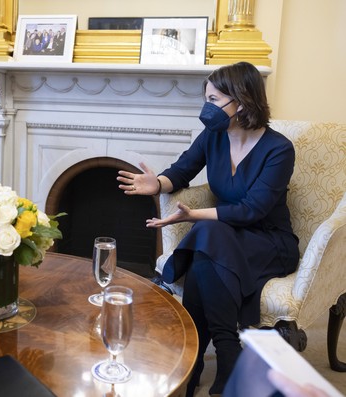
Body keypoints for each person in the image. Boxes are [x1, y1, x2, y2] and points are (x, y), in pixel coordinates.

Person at [117, 62, 299, 396]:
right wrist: (156, 183)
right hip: (225, 237)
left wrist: (194, 216)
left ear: (241, 102)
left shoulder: (279, 149)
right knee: (209, 244)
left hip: (268, 241)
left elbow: (253, 209)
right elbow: (182, 171)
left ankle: (196, 351)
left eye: (214, 100)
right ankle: (226, 351)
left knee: (207, 239)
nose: (207, 108)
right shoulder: (214, 136)